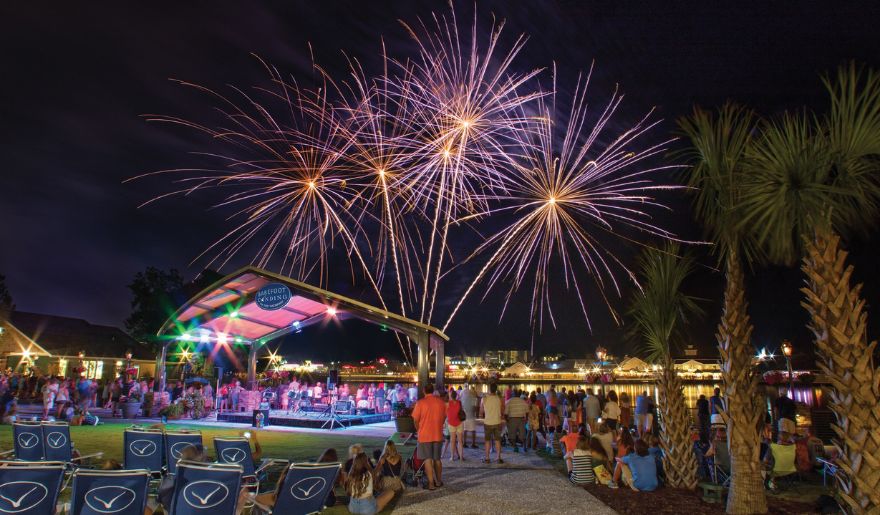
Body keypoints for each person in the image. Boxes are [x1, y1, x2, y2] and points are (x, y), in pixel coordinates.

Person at [411, 383, 446, 489]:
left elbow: (415, 420)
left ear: (424, 391)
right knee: (437, 459)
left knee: (427, 459)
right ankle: (439, 481)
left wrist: (419, 429)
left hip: (424, 435)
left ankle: (431, 483)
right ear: (433, 390)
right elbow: (444, 417)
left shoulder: (420, 403)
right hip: (437, 434)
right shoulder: (441, 402)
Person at [480, 383, 504, 464]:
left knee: (487, 441)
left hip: (488, 422)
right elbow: (502, 410)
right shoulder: (499, 399)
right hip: (497, 421)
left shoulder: (484, 398)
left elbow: (481, 411)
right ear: (496, 389)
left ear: (489, 389)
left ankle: (487, 458)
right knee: (498, 440)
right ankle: (498, 458)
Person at [446, 389, 464, 461]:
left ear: (450, 396)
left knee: (452, 441)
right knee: (460, 441)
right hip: (459, 423)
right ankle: (461, 457)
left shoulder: (448, 403)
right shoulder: (459, 403)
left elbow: (445, 413)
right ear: (456, 396)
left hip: (451, 423)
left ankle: (452, 457)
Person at [460, 385, 478, 449]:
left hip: (465, 416)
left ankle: (464, 443)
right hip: (471, 416)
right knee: (473, 430)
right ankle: (473, 443)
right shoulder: (472, 397)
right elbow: (475, 407)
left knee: (465, 430)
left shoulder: (462, 397)